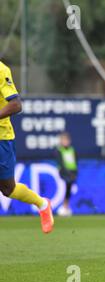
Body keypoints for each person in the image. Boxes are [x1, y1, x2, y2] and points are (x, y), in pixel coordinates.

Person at [0, 61, 54, 233]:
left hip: (2, 137)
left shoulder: (2, 70)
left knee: (8, 189)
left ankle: (42, 204)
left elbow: (16, 105)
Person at [55, 132, 78, 216]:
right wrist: (65, 172)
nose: (65, 142)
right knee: (65, 189)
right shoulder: (59, 150)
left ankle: (66, 207)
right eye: (63, 140)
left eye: (66, 140)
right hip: (64, 173)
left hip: (72, 172)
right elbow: (60, 163)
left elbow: (75, 161)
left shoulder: (72, 150)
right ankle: (63, 206)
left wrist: (75, 172)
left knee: (69, 190)